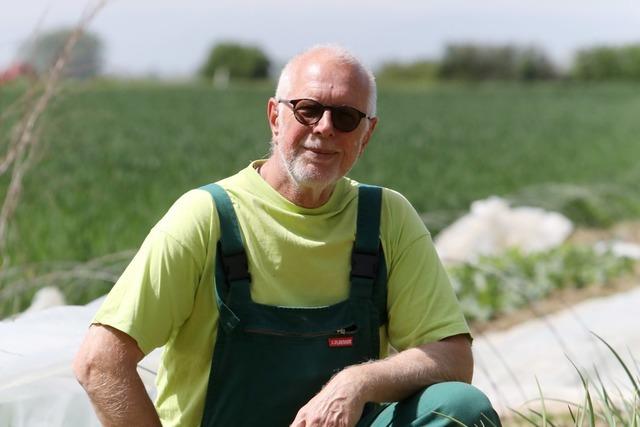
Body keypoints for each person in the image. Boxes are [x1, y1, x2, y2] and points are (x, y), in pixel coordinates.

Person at [73, 45, 501, 427]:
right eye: (308, 109)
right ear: (275, 117)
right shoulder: (208, 218)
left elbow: (453, 359)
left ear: (366, 134)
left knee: (458, 409)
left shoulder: (386, 218)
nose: (325, 127)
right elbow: (101, 362)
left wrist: (355, 381)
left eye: (346, 117)